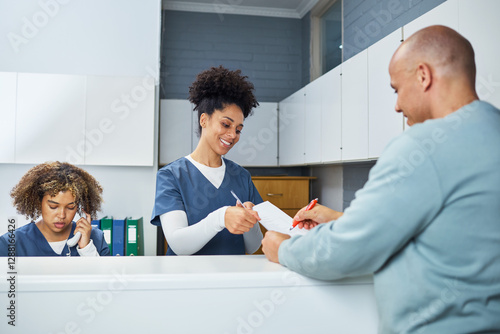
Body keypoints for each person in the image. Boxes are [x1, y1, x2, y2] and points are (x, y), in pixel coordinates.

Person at [262, 25, 500, 333]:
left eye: (396, 89)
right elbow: (454, 236)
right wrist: (342, 219)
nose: (397, 105)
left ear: (423, 76)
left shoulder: (423, 145)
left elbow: (346, 253)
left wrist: (282, 248)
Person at [151, 66, 263, 255]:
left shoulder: (241, 177)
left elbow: (252, 247)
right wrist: (221, 218)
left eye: (238, 129)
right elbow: (179, 245)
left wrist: (249, 223)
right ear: (204, 120)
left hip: (231, 278)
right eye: (226, 124)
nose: (232, 135)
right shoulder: (171, 176)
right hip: (188, 281)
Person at [0, 161, 110, 256]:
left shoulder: (96, 238)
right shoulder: (10, 243)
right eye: (53, 207)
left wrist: (87, 250)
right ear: (39, 202)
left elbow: (106, 279)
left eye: (70, 207)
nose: (62, 215)